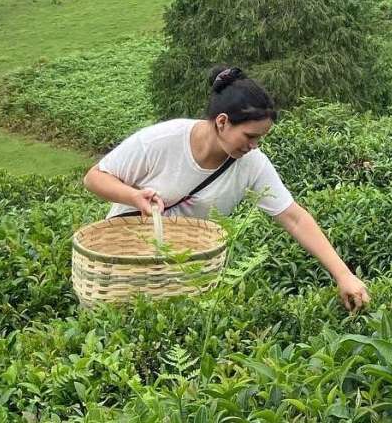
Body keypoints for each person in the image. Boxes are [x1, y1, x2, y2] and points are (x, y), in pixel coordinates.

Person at [83, 66, 371, 312]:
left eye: (260, 139)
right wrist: (133, 196)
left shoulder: (251, 163)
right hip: (127, 264)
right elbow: (95, 177)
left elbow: (294, 218)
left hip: (190, 274)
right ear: (222, 122)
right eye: (249, 136)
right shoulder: (161, 141)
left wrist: (343, 275)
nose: (254, 146)